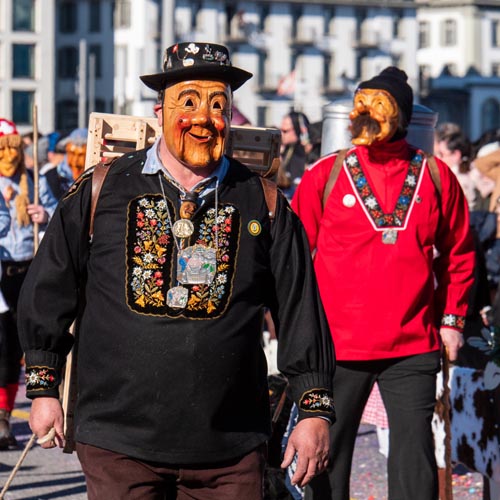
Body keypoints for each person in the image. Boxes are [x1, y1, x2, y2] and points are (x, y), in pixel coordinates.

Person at [18, 41, 335, 499]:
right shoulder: (104, 189)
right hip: (117, 441)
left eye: (217, 104)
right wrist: (44, 387)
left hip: (230, 447)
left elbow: (299, 308)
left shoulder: (262, 201)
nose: (203, 118)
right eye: (188, 102)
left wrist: (314, 409)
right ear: (159, 110)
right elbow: (50, 287)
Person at [291, 67, 475, 500]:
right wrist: (293, 329)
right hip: (336, 345)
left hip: (412, 345)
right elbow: (293, 258)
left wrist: (452, 320)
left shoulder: (434, 176)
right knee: (327, 460)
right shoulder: (326, 175)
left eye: (377, 104)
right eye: (360, 103)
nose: (364, 113)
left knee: (415, 464)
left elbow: (460, 252)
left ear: (403, 116)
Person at [0, 118, 58, 449]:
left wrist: (45, 216)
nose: (9, 157)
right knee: (3, 346)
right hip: (0, 271)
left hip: (28, 270)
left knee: (25, 344)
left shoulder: (34, 182)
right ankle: (3, 418)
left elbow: (59, 219)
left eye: (14, 150)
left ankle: (8, 414)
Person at [278, 110, 312, 199]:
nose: (281, 134)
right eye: (280, 130)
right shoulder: (282, 152)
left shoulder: (310, 155)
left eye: (285, 131)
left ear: (299, 130)